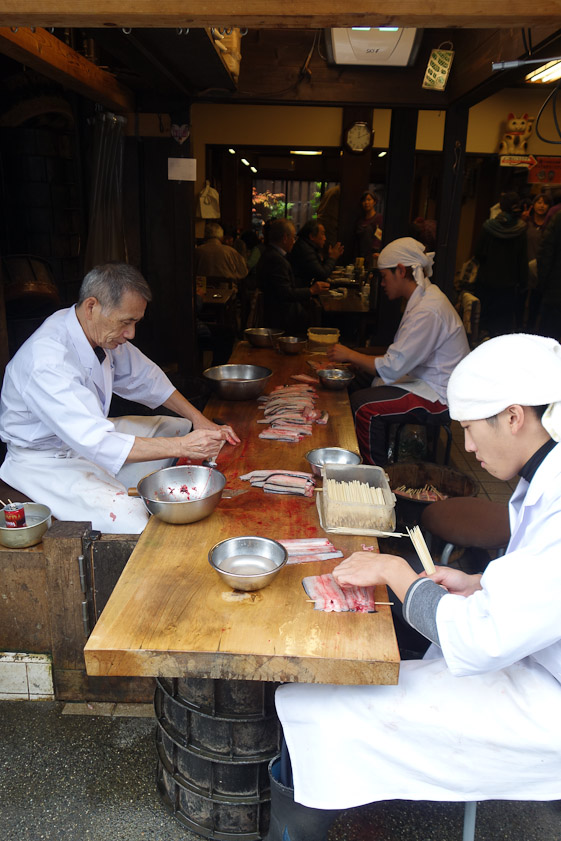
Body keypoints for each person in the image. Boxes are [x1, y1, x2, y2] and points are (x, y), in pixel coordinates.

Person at [265, 333, 561, 841]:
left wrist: (398, 576)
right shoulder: (547, 474)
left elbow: (479, 640)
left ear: (513, 417)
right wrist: (479, 580)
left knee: (312, 710)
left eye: (470, 429)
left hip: (543, 699)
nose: (466, 447)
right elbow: (540, 580)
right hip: (534, 654)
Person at [0, 263, 239, 534]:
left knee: (175, 426)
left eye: (135, 322)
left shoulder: (95, 331)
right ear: (92, 306)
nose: (131, 334)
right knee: (132, 518)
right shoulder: (46, 360)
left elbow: (147, 377)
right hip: (47, 460)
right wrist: (184, 447)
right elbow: (96, 440)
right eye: (126, 322)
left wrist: (199, 421)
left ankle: (139, 475)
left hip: (86, 436)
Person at [328, 237, 469, 465]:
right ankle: (339, 439)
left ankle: (375, 476)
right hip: (421, 377)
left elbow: (393, 366)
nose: (382, 284)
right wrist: (354, 360)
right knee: (356, 378)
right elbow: (398, 359)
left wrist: (350, 354)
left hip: (438, 395)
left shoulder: (429, 309)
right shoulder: (422, 298)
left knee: (365, 407)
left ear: (401, 271)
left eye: (384, 277)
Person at [257, 218, 330, 334]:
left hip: (278, 311)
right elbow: (285, 293)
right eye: (293, 237)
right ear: (285, 238)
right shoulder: (276, 260)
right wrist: (311, 290)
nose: (294, 241)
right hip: (281, 316)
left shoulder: (272, 253)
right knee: (323, 321)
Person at [473, 191, 528, 336]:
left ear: (501, 207)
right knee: (503, 327)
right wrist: (523, 283)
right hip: (508, 286)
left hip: (487, 283)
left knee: (486, 324)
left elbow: (478, 254)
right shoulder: (521, 230)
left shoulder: (488, 227)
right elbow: (522, 260)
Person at [522, 191, 552, 330]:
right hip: (524, 266)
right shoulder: (526, 223)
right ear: (533, 205)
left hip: (540, 268)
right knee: (521, 300)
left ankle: (530, 328)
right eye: (539, 202)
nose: (542, 206)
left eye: (545, 203)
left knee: (535, 302)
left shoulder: (550, 226)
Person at [289, 219, 344, 287]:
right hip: (299, 291)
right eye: (323, 234)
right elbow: (322, 275)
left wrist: (329, 258)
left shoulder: (306, 246)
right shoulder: (305, 250)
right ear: (312, 236)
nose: (325, 238)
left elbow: (319, 270)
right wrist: (332, 258)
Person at [536, 209, 561, 340]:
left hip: (555, 291)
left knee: (550, 340)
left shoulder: (558, 218)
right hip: (554, 290)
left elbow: (545, 254)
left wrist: (543, 284)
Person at [354, 190, 383, 269]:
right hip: (360, 254)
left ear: (374, 202)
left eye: (369, 200)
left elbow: (378, 238)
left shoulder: (379, 218)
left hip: (372, 255)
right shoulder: (360, 220)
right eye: (364, 200)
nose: (366, 202)